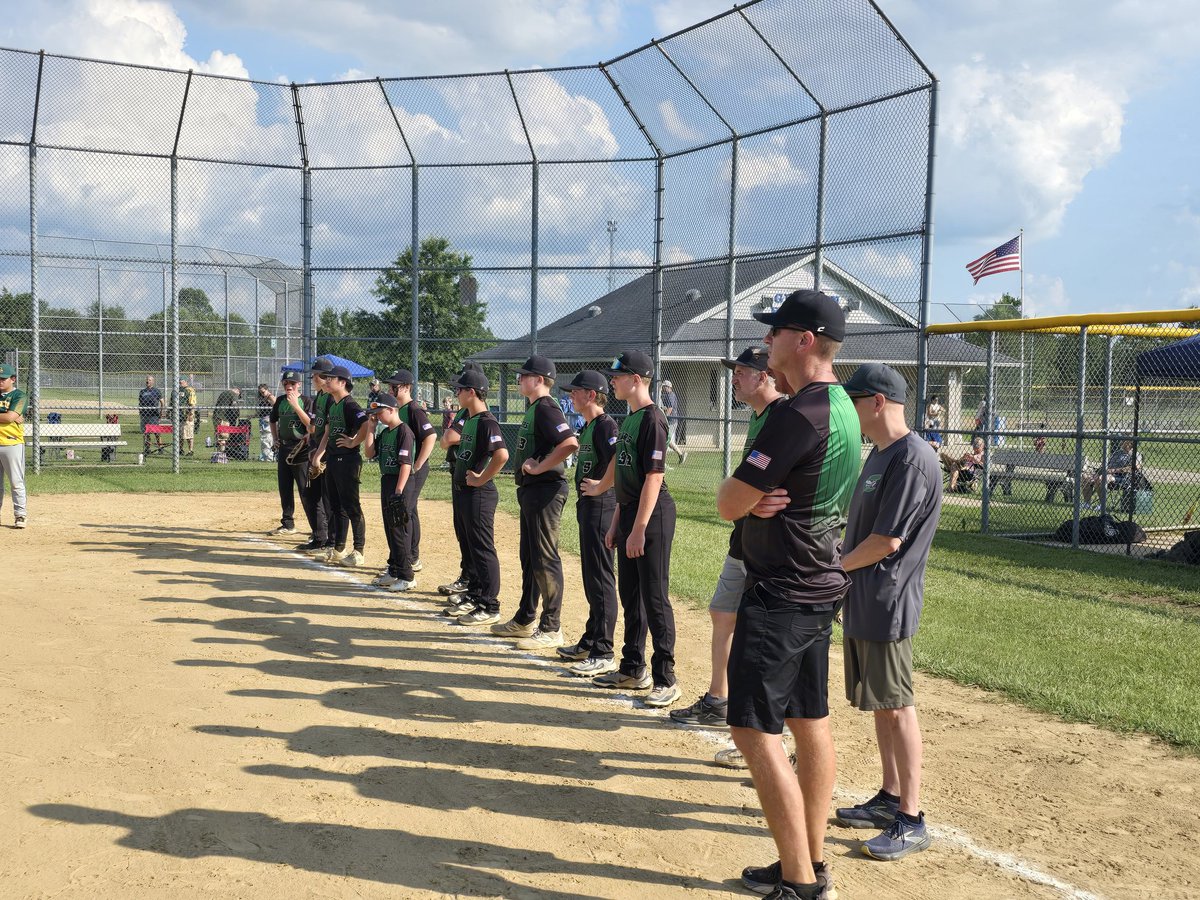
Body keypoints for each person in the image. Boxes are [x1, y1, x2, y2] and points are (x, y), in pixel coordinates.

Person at [716, 289, 859, 900]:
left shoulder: (798, 413)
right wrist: (757, 502)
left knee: (753, 730)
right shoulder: (842, 404)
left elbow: (728, 502)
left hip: (782, 590)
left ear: (804, 340)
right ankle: (810, 862)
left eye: (775, 332)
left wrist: (748, 502)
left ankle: (800, 882)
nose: (766, 340)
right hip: (816, 584)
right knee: (808, 720)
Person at [835, 363, 942, 862]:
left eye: (854, 401)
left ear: (878, 402)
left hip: (888, 599)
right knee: (880, 703)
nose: (849, 411)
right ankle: (889, 796)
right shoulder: (880, 454)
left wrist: (832, 567)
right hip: (866, 596)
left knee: (897, 706)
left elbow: (886, 541)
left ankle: (911, 818)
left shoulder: (912, 458)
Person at [670, 347, 784, 744]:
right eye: (734, 371)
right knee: (722, 612)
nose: (734, 378)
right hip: (744, 536)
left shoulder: (781, 417)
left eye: (742, 371)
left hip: (768, 545)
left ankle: (767, 726)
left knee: (763, 632)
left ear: (764, 376)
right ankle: (719, 699)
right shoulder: (757, 417)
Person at [583, 350, 679, 708]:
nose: (613, 382)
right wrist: (616, 525)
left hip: (652, 516)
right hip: (629, 515)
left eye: (618, 376)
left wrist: (638, 529)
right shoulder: (631, 418)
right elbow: (626, 478)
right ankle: (632, 668)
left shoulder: (653, 418)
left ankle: (666, 678)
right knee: (631, 594)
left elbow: (654, 477)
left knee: (654, 597)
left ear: (636, 380)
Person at [492, 355, 579, 649]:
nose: (519, 379)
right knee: (530, 557)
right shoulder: (534, 408)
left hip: (546, 491)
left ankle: (552, 627)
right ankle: (525, 618)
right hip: (532, 491)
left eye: (524, 375)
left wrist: (541, 467)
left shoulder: (545, 407)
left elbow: (569, 443)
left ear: (539, 380)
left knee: (544, 558)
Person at [559, 370, 620, 677]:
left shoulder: (606, 424)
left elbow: (617, 459)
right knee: (590, 575)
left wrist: (600, 486)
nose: (571, 395)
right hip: (589, 508)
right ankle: (592, 637)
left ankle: (604, 650)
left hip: (601, 508)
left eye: (576, 391)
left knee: (600, 577)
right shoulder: (590, 425)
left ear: (592, 395)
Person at [442, 367, 509, 626]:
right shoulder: (470, 419)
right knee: (471, 548)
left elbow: (501, 455)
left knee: (482, 549)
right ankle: (475, 595)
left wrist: (482, 478)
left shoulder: (486, 421)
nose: (456, 393)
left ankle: (490, 605)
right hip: (466, 493)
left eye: (459, 390)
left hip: (479, 494)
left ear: (471, 392)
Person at [309, 365, 370, 567]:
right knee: (336, 506)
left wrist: (354, 442)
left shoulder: (350, 404)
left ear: (343, 382)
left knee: (352, 506)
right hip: (333, 459)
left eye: (331, 378)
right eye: (326, 378)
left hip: (348, 460)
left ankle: (359, 551)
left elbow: (366, 424)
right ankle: (338, 549)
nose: (327, 381)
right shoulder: (333, 403)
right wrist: (318, 455)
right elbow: (327, 432)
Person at [438, 362, 485, 598]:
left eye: (462, 386)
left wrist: (456, 436)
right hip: (457, 473)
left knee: (470, 532)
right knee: (462, 529)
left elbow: (448, 438)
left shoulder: (473, 413)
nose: (457, 390)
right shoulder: (465, 411)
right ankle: (468, 576)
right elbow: (445, 440)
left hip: (469, 477)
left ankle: (471, 580)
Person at [363, 393, 416, 592]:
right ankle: (394, 570)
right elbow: (369, 453)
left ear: (392, 410)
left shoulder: (404, 431)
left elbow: (406, 464)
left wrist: (399, 491)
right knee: (390, 528)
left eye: (379, 412)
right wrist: (370, 428)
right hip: (387, 481)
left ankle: (406, 576)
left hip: (400, 482)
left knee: (399, 530)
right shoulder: (385, 432)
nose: (377, 416)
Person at [388, 370, 437, 572]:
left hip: (415, 469)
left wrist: (417, 465)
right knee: (410, 509)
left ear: (406, 387)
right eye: (390, 385)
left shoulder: (413, 409)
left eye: (394, 386)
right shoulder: (398, 409)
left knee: (404, 510)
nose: (390, 389)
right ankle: (413, 556)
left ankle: (407, 559)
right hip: (406, 468)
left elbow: (431, 436)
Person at [267, 371, 312, 538]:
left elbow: (310, 425)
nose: (289, 386)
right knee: (285, 487)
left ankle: (317, 528)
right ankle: (288, 523)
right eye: (286, 383)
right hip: (284, 448)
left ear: (299, 384)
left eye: (292, 383)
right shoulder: (280, 401)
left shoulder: (306, 401)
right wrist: (275, 438)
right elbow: (272, 420)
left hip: (301, 449)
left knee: (305, 489)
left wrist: (296, 406)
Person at [298, 358, 336, 556]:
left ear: (325, 377)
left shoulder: (330, 398)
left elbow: (329, 430)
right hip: (315, 449)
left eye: (315, 375)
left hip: (325, 454)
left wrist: (320, 454)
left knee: (328, 499)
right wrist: (309, 435)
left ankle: (331, 541)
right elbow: (313, 427)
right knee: (310, 494)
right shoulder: (318, 397)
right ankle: (319, 536)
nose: (312, 378)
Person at [0, 363, 28, 528]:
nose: (0, 381)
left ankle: (20, 515)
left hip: (12, 443)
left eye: (3, 379)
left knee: (16, 482)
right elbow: (9, 416)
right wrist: (8, 414)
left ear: (13, 379)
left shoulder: (19, 395)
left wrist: (10, 415)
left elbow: (10, 418)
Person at [1083, 438, 1142, 507]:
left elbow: (1135, 467)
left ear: (1131, 443)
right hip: (1107, 474)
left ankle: (1102, 505)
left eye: (1124, 440)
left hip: (1122, 477)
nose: (1121, 441)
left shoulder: (1136, 454)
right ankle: (1087, 504)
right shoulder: (1117, 453)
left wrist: (1114, 470)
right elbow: (1107, 466)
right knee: (1085, 476)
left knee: (1102, 478)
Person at [660, 379, 687, 465]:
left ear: (668, 387)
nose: (663, 388)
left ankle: (663, 461)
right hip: (670, 420)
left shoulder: (670, 395)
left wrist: (664, 417)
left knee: (666, 440)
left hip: (671, 421)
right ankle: (681, 454)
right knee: (667, 440)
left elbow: (670, 409)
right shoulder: (668, 395)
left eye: (664, 387)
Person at [138, 376, 165, 456]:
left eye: (149, 380)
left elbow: (162, 402)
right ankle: (147, 448)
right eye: (147, 380)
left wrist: (161, 412)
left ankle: (160, 448)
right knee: (146, 433)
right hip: (144, 415)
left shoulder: (156, 391)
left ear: (153, 381)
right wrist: (140, 412)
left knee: (156, 432)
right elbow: (140, 403)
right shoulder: (142, 391)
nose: (148, 381)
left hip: (153, 415)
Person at [176, 377, 197, 456]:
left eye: (181, 382)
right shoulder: (177, 390)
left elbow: (192, 403)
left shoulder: (190, 390)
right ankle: (180, 450)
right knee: (180, 434)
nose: (180, 384)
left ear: (186, 382)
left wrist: (191, 414)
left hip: (187, 415)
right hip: (178, 415)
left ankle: (190, 450)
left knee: (189, 434)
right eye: (179, 382)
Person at [256, 384, 276, 462]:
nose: (262, 394)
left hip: (268, 420)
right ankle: (265, 456)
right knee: (265, 438)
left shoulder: (270, 397)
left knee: (267, 438)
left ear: (267, 390)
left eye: (263, 392)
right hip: (263, 419)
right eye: (260, 392)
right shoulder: (263, 398)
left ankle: (269, 458)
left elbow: (276, 407)